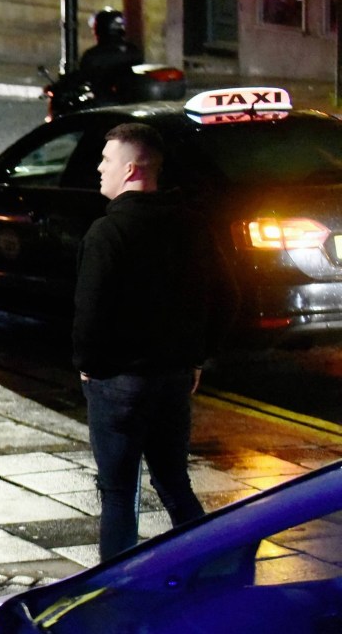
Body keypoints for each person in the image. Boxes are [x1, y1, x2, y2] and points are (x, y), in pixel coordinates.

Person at [72, 123, 238, 561]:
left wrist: (89, 364)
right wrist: (199, 355)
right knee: (173, 481)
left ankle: (115, 588)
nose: (98, 167)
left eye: (106, 160)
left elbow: (90, 312)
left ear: (130, 171)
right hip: (174, 377)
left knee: (118, 491)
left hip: (119, 382)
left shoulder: (108, 233)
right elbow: (229, 295)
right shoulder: (192, 225)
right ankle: (213, 563)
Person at [77, 8, 144, 97]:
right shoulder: (133, 51)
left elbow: (83, 79)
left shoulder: (93, 55)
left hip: (102, 104)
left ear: (99, 29)